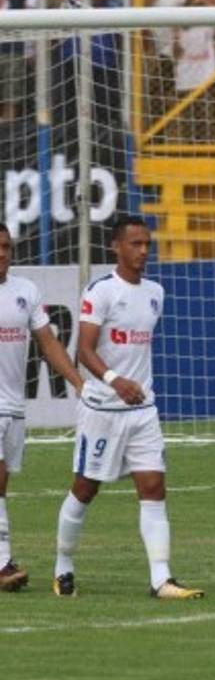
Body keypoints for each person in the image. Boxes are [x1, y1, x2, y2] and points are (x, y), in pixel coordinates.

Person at [53, 216, 203, 600]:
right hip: (103, 408)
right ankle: (63, 566)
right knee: (85, 488)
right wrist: (114, 381)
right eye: (135, 244)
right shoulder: (100, 291)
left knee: (153, 486)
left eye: (146, 244)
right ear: (116, 247)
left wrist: (134, 388)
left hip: (143, 410)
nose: (142, 251)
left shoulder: (155, 292)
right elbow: (84, 350)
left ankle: (161, 579)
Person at [0, 224, 84, 592]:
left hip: (14, 408)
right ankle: (2, 563)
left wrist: (80, 383)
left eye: (6, 247)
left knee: (2, 486)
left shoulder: (26, 292)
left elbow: (48, 344)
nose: (2, 253)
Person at [173, 0, 215, 142]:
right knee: (189, 123)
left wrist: (208, 5)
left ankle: (210, 156)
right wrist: (193, 6)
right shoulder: (180, 11)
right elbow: (176, 48)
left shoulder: (213, 10)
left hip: (206, 75)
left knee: (208, 121)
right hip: (186, 74)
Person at [145, 0, 190, 139]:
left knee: (158, 91)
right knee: (158, 94)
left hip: (176, 52)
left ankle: (158, 139)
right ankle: (159, 137)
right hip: (162, 50)